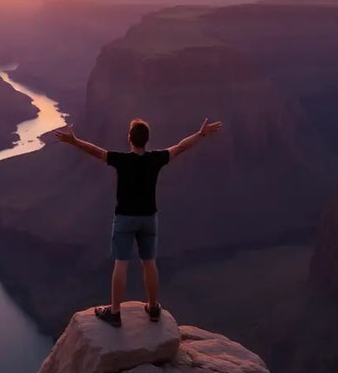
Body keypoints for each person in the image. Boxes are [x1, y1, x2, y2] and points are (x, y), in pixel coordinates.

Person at [53, 117, 223, 327]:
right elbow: (180, 147)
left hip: (125, 218)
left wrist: (74, 141)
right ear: (147, 140)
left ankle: (115, 312)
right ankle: (152, 307)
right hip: (149, 219)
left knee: (121, 264)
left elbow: (96, 151)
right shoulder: (155, 159)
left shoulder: (122, 160)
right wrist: (201, 133)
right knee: (149, 262)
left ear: (129, 139)